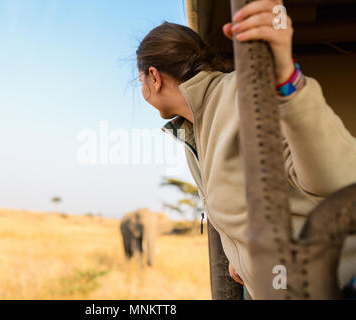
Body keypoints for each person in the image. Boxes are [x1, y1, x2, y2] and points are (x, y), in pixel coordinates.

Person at [136, 0, 356, 298]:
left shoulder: (241, 92)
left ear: (154, 76)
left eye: (140, 81)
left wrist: (288, 80)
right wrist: (241, 259)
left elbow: (339, 178)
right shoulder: (192, 129)